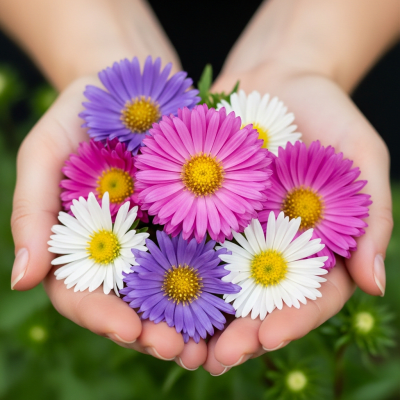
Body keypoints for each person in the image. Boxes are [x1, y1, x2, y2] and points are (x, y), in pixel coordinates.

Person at [1, 0, 398, 375]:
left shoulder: (251, 181)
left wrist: (306, 55)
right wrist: (92, 44)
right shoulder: (167, 170)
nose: (207, 175)